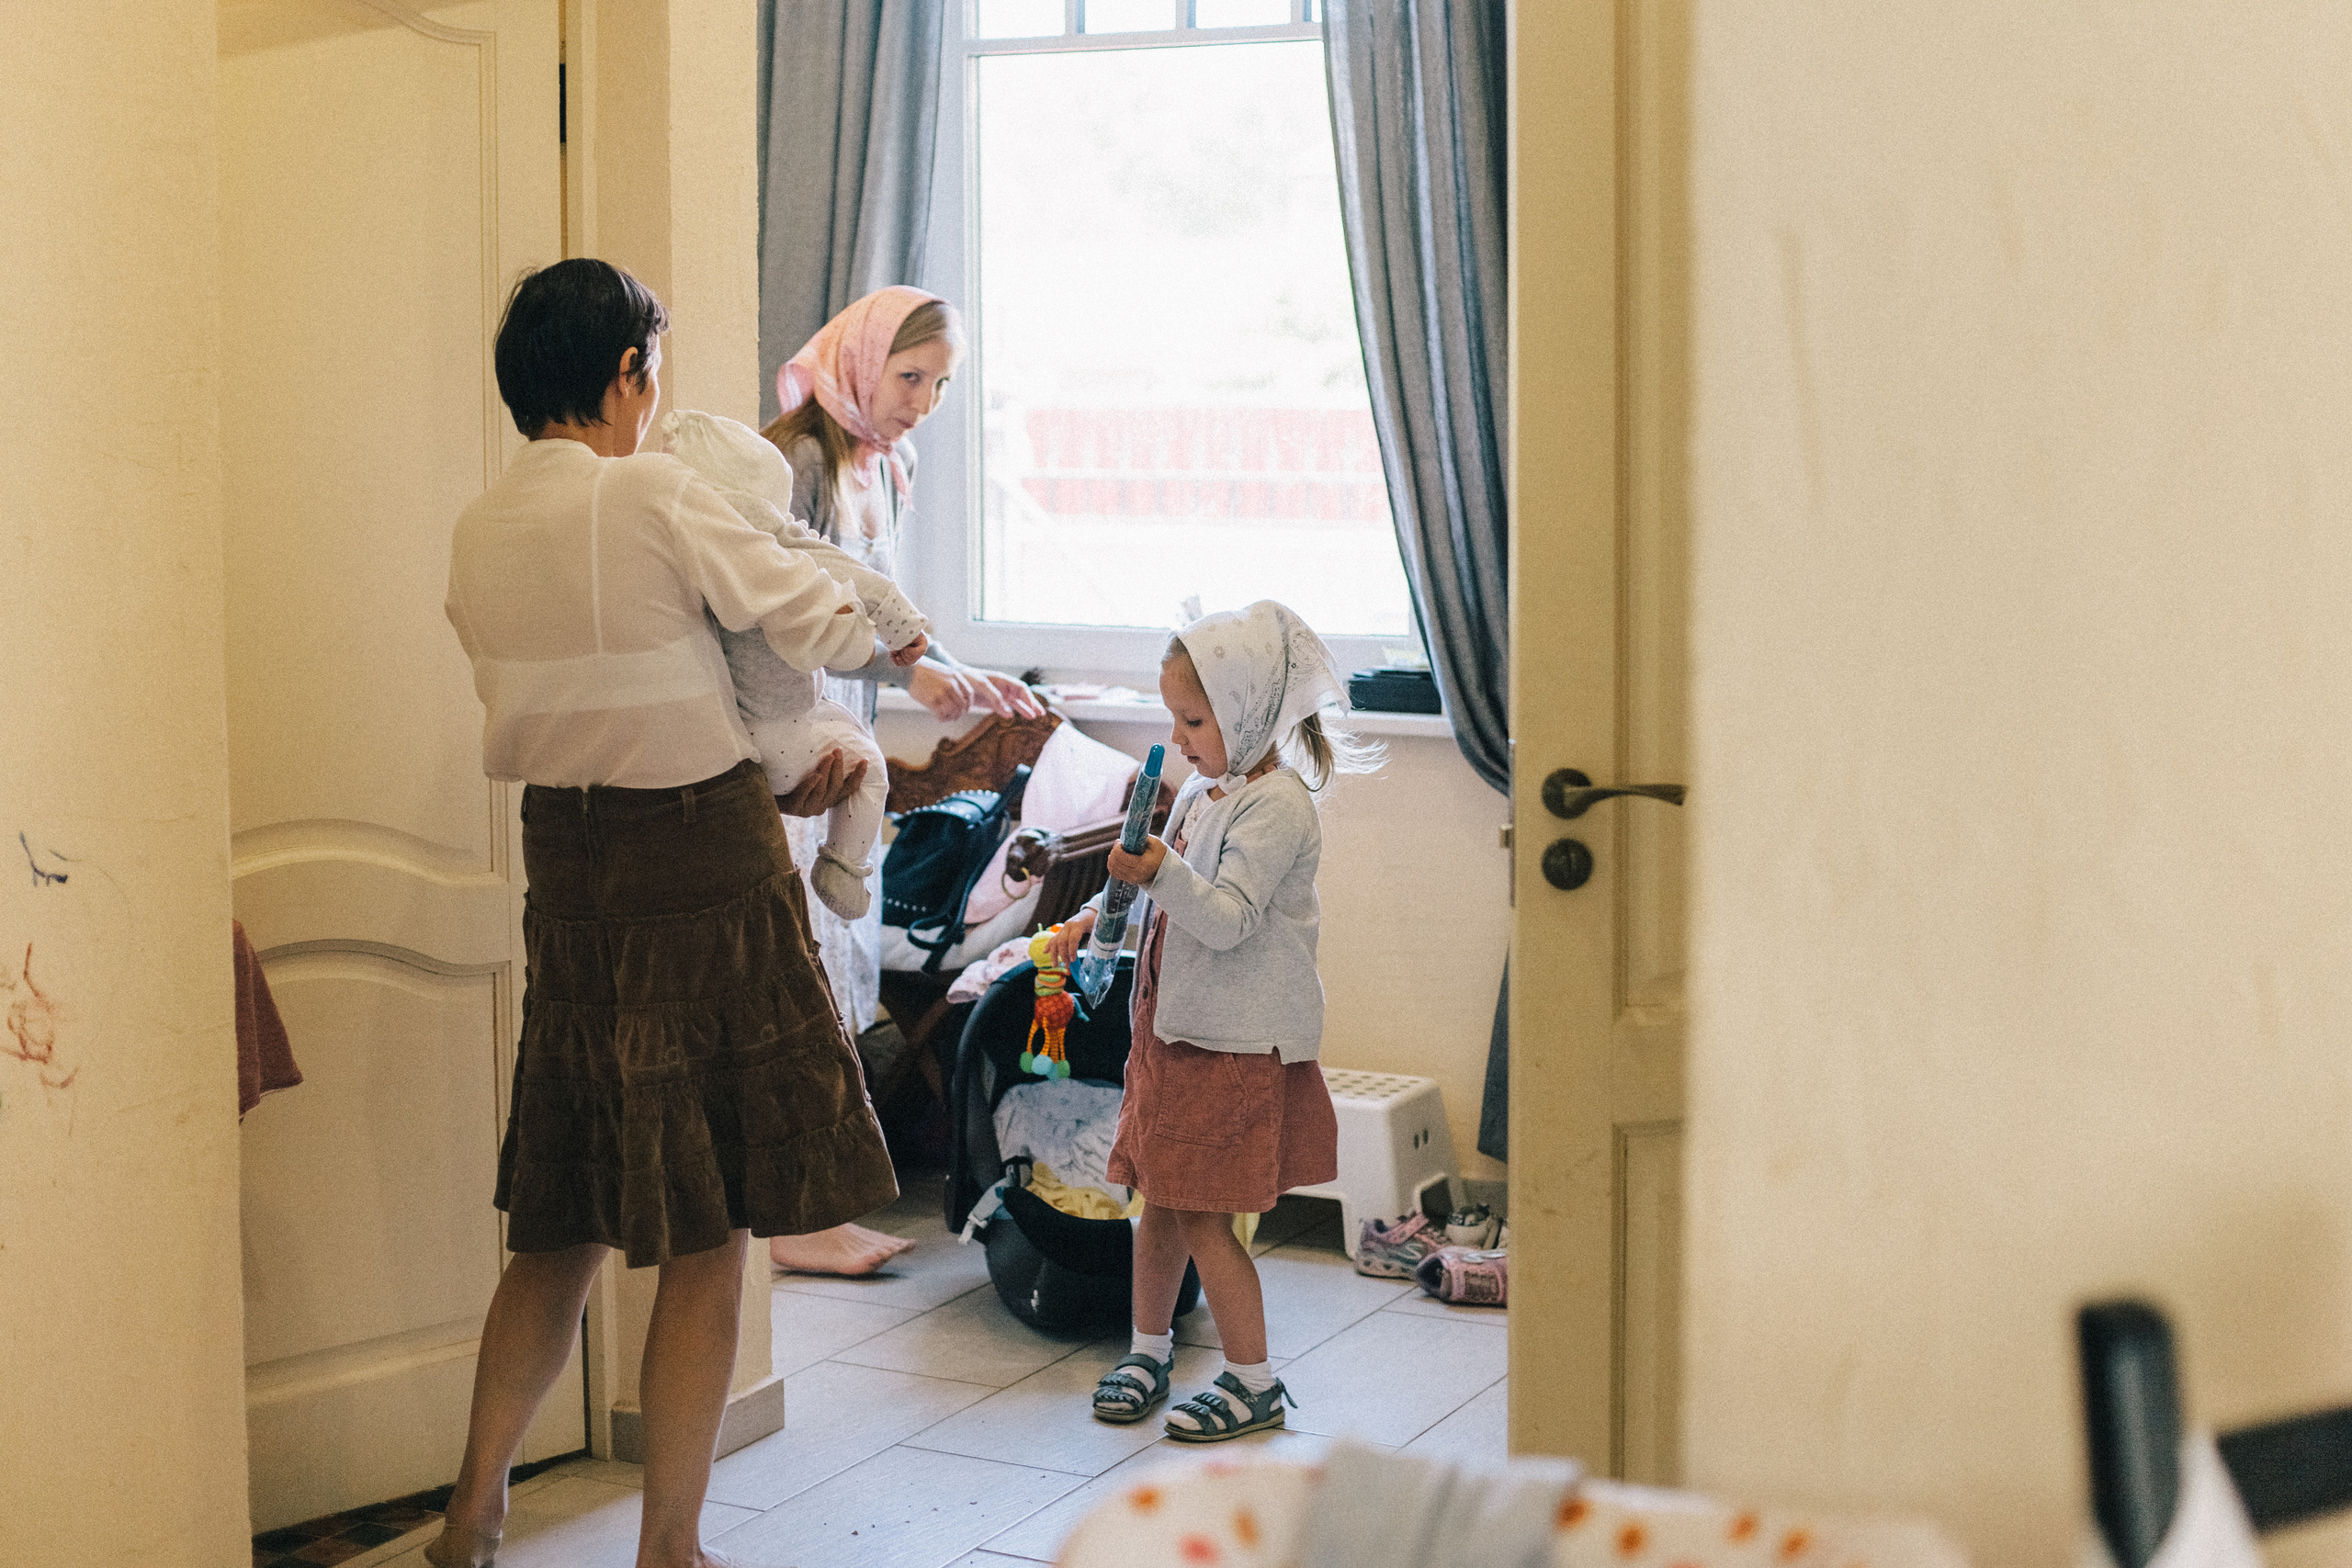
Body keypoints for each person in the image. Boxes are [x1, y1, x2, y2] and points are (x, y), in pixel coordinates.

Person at [429, 258, 899, 1568]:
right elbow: (804, 608)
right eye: (652, 368)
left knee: (565, 1211)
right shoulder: (650, 490)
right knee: (711, 1217)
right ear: (626, 374)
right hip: (698, 858)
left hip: (567, 871)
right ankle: (671, 1544)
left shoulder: (476, 529)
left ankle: (473, 1511)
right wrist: (893, 642)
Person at [760, 286, 1045, 1279]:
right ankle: (792, 1217)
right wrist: (911, 669)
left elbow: (883, 612)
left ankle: (815, 1205)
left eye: (940, 385)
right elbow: (782, 617)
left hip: (848, 748)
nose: (922, 402)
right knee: (796, 974)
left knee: (839, 971)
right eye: (909, 376)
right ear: (860, 360)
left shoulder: (885, 465)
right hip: (791, 748)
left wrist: (953, 665)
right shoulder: (796, 460)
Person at [1046, 600, 1378, 1442]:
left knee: (1202, 1214)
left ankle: (1252, 1378)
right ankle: (1147, 1348)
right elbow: (1161, 882)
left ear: (1247, 713)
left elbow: (1224, 916)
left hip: (1231, 1046)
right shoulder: (1204, 787)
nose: (1180, 735)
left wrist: (1159, 872)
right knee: (1157, 1199)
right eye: (1174, 717)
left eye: (1194, 719)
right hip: (1172, 1031)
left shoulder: (1278, 808)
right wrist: (1100, 907)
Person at [657, 407, 930, 920]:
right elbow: (853, 574)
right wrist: (901, 622)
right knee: (869, 772)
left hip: (753, 727)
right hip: (778, 727)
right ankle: (844, 868)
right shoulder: (763, 535)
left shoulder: (680, 543)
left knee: (848, 740)